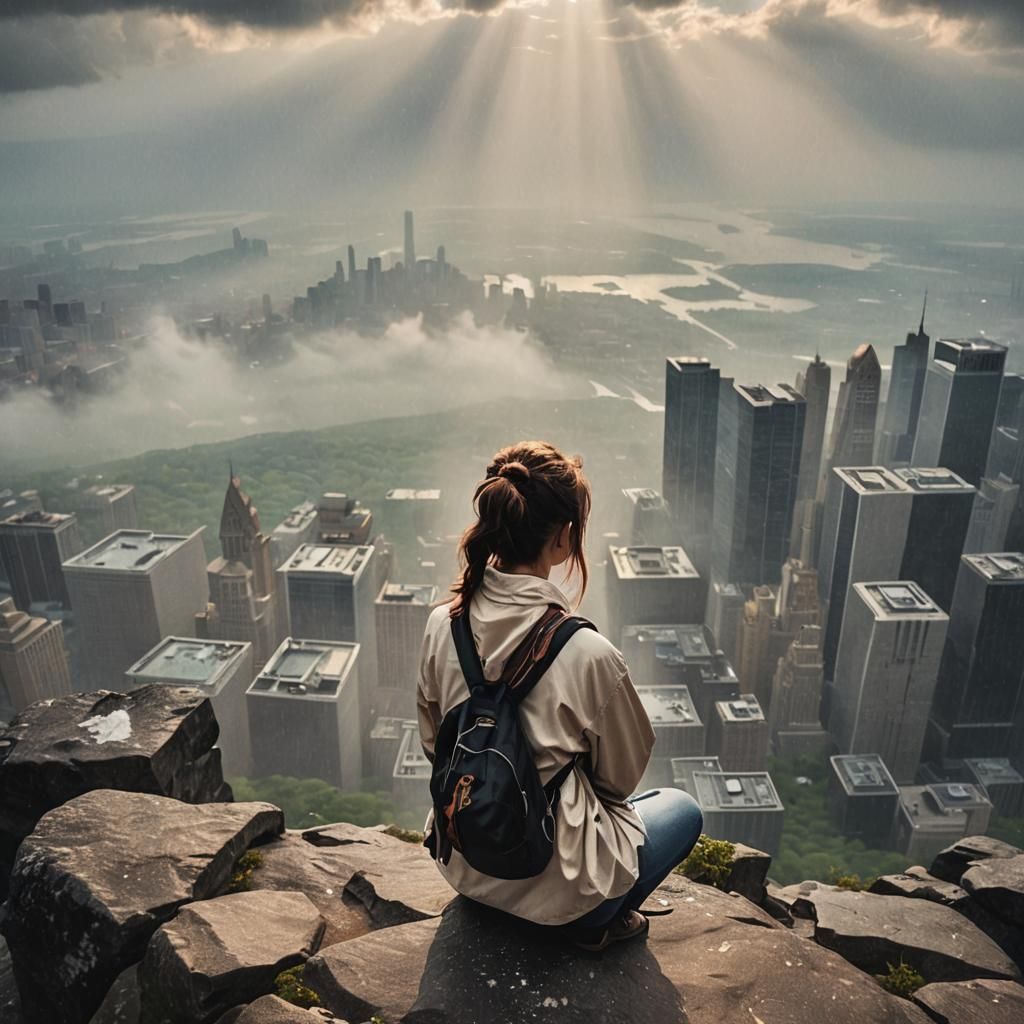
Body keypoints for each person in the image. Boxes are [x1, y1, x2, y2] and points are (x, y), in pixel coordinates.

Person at [417, 440, 704, 951]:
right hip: (562, 893)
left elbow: (434, 745)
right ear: (565, 537)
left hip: (466, 864)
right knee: (679, 809)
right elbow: (619, 781)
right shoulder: (589, 654)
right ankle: (593, 925)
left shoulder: (443, 624)